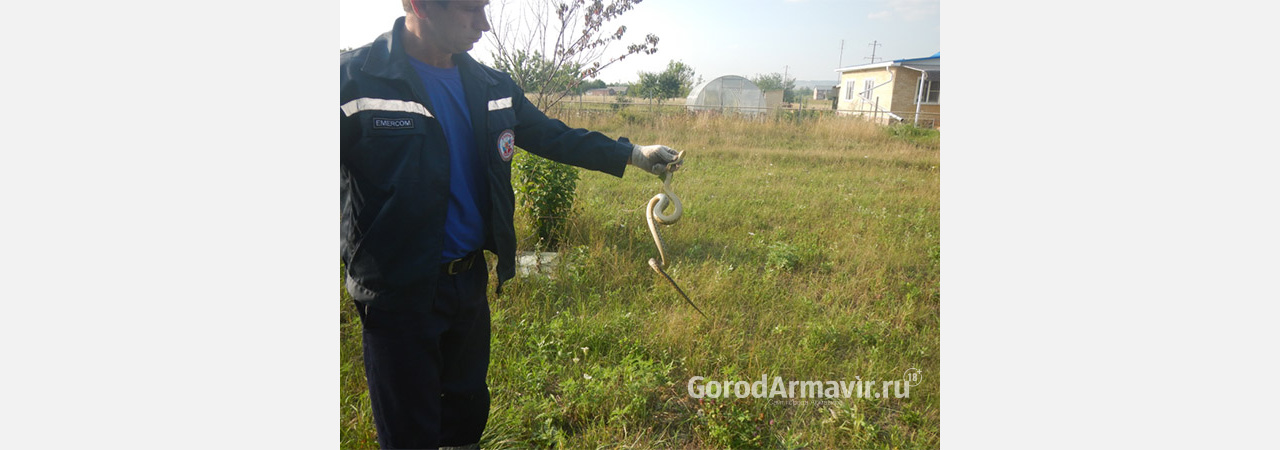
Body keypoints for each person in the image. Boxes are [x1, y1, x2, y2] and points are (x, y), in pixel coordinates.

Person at [340, 1, 684, 448]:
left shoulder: (490, 85)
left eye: (485, 7)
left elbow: (554, 135)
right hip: (395, 293)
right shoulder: (353, 81)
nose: (484, 24)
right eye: (469, 10)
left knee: (464, 414)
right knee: (409, 430)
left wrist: (631, 153)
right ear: (418, 5)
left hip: (467, 282)